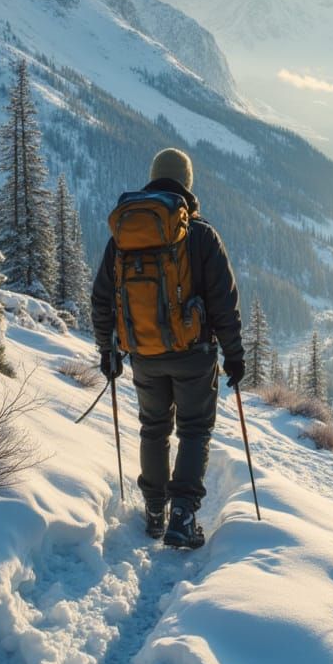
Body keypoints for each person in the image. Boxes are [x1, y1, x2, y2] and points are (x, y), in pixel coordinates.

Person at [91, 148, 245, 549]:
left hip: (144, 353)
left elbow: (102, 297)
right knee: (194, 430)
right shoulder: (199, 235)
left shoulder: (125, 235)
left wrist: (107, 350)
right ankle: (182, 515)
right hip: (193, 353)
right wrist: (234, 354)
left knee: (153, 429)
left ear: (154, 177)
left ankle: (155, 511)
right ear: (187, 183)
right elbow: (223, 301)